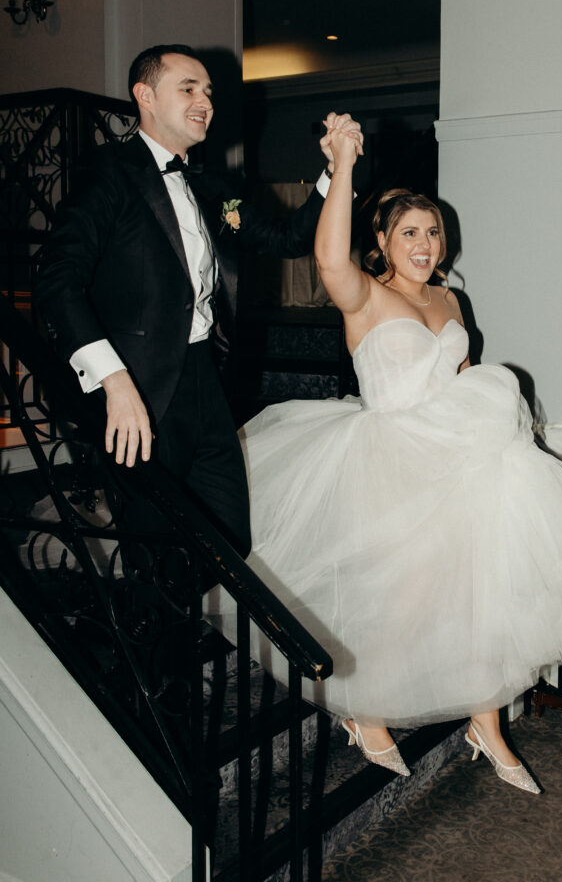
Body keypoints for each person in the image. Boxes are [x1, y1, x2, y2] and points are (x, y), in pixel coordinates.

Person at [203, 123, 562, 791]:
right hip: (388, 459)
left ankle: (486, 721)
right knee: (403, 598)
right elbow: (328, 261)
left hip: (457, 465)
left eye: (432, 232)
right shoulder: (364, 294)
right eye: (409, 232)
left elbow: (463, 374)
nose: (423, 243)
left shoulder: (450, 300)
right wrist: (343, 167)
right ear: (381, 242)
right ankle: (363, 708)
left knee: (479, 595)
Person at [36, 43, 362, 558]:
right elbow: (56, 280)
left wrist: (333, 171)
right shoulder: (109, 172)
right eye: (188, 88)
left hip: (206, 379)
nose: (205, 100)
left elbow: (286, 239)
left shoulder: (211, 186)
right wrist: (114, 382)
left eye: (208, 91)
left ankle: (188, 628)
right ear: (144, 95)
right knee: (152, 541)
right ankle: (160, 635)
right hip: (138, 388)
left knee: (228, 535)